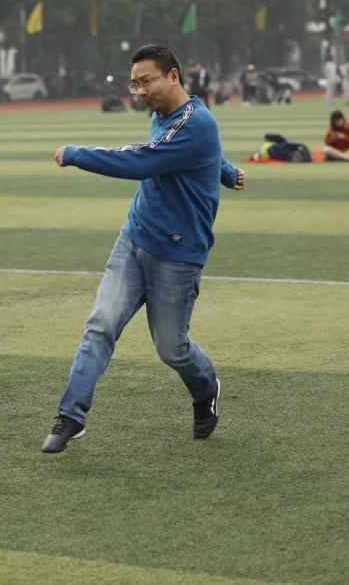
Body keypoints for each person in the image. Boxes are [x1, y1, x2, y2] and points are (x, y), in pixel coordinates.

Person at [43, 43, 245, 454]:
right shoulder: (163, 114)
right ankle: (70, 416)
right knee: (100, 325)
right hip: (134, 238)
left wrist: (78, 154)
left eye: (146, 81)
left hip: (178, 255)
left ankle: (206, 388)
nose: (139, 92)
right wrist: (226, 172)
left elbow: (145, 160)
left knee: (172, 348)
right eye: (134, 84)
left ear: (173, 75)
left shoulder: (196, 123)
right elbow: (192, 153)